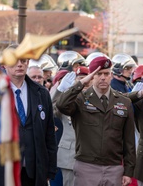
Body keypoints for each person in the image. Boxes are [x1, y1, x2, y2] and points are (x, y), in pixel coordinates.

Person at [0, 44, 57, 186]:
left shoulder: (41, 93)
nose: (20, 65)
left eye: (23, 61)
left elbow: (49, 135)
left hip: (32, 172)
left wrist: (50, 169)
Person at [56, 56, 136, 186]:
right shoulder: (80, 99)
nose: (103, 77)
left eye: (106, 73)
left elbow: (129, 142)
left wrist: (128, 171)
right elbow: (61, 105)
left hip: (113, 168)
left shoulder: (123, 102)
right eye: (98, 74)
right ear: (92, 76)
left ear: (111, 75)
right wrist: (80, 84)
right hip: (86, 166)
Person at [52, 66, 89, 186]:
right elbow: (52, 110)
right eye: (79, 79)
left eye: (85, 78)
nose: (83, 82)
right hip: (69, 156)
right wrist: (60, 90)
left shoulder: (95, 98)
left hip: (91, 156)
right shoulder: (67, 100)